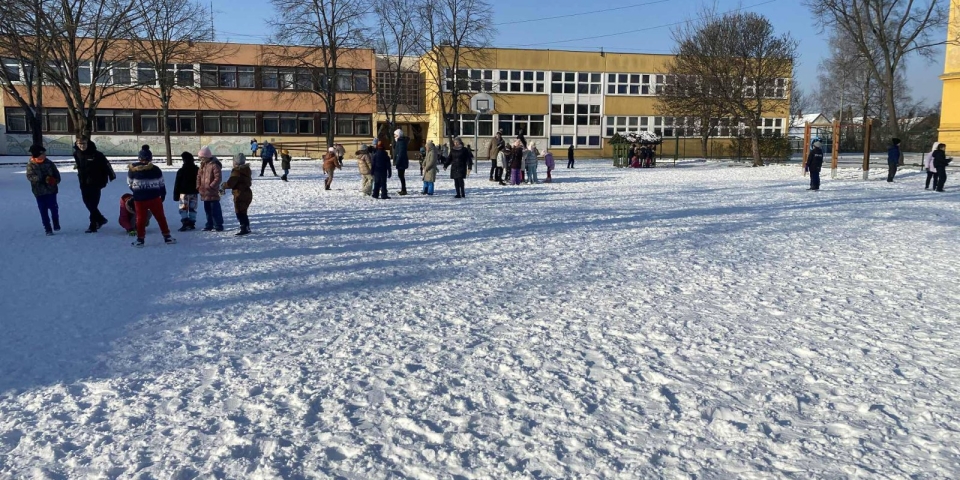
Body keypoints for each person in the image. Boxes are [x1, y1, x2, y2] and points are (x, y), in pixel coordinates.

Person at [127, 146, 175, 247]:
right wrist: (163, 194)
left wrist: (137, 191)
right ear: (150, 158)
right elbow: (161, 183)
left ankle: (140, 239)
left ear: (139, 158)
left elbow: (130, 183)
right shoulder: (155, 169)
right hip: (154, 197)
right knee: (160, 217)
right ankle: (167, 236)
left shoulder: (132, 170)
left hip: (139, 199)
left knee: (140, 219)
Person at [73, 137, 116, 233]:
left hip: (96, 182)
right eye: (80, 144)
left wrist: (111, 175)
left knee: (93, 204)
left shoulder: (96, 154)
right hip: (83, 182)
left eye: (84, 144)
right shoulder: (76, 153)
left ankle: (93, 225)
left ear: (87, 143)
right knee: (87, 202)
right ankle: (100, 219)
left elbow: (106, 165)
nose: (82, 146)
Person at [25, 144, 61, 236]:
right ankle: (47, 228)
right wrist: (41, 178)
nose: (45, 155)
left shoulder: (49, 163)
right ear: (37, 154)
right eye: (42, 153)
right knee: (43, 210)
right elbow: (29, 176)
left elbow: (57, 175)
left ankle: (56, 223)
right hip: (39, 192)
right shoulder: (31, 165)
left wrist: (54, 180)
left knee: (54, 208)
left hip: (51, 191)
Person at [222, 153, 253, 236]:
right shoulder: (247, 169)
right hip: (247, 192)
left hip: (239, 193)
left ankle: (244, 227)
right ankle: (247, 227)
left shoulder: (236, 171)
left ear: (235, 162)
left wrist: (224, 185)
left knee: (239, 212)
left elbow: (230, 183)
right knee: (243, 211)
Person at [196, 146, 224, 231]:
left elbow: (218, 178)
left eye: (202, 158)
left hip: (212, 192)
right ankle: (209, 224)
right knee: (207, 210)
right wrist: (198, 186)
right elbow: (199, 176)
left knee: (215, 210)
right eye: (200, 158)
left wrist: (211, 186)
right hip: (205, 192)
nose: (201, 160)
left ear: (207, 156)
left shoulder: (214, 165)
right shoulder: (202, 165)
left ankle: (218, 225)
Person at [173, 151, 199, 232]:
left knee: (183, 208)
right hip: (194, 192)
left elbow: (177, 184)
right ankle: (192, 223)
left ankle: (185, 222)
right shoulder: (197, 170)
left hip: (183, 193)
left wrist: (176, 195)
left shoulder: (181, 171)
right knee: (193, 208)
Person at [393, 129, 410, 195]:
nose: (394, 136)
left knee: (401, 176)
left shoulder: (401, 142)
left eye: (395, 134)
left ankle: (404, 190)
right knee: (401, 176)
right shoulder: (399, 141)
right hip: (401, 161)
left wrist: (397, 161)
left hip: (401, 162)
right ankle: (403, 189)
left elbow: (401, 153)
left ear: (398, 135)